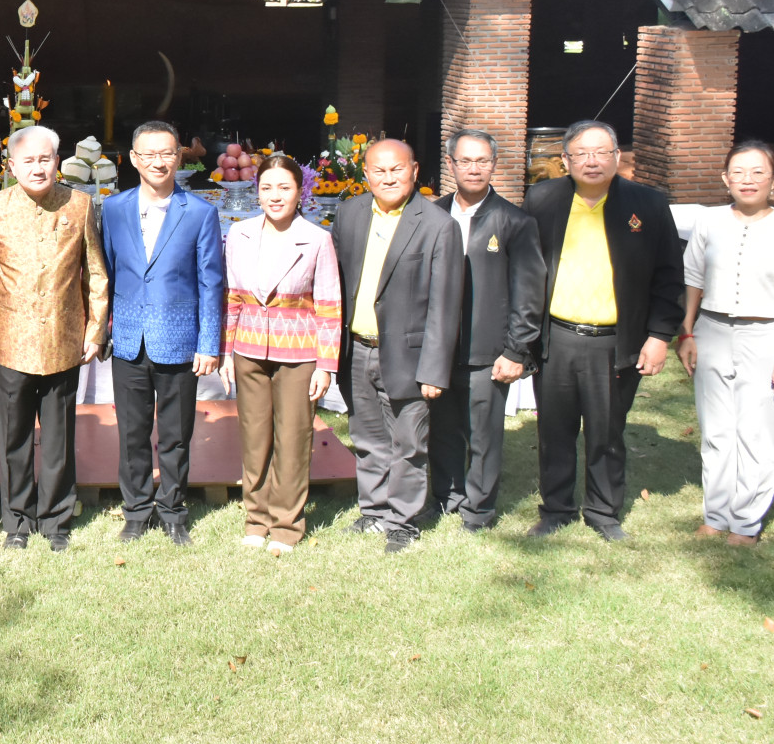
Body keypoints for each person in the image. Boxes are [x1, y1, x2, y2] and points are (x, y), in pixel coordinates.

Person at [522, 120, 683, 542]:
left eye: (601, 152)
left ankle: (603, 512)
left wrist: (659, 335)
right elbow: (525, 272)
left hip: (615, 341)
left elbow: (669, 275)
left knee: (607, 431)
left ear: (617, 158)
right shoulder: (541, 199)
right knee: (554, 430)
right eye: (581, 153)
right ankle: (556, 509)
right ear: (565, 160)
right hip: (556, 338)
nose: (591, 161)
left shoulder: (647, 204)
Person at [676, 140, 774, 546]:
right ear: (725, 179)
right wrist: (687, 331)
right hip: (713, 331)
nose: (747, 180)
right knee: (716, 429)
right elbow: (694, 281)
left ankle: (746, 522)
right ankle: (716, 514)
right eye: (738, 172)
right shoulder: (709, 221)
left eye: (758, 172)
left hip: (768, 335)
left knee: (756, 430)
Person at [0, 125, 107, 552]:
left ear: (58, 161)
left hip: (65, 337)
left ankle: (55, 520)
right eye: (28, 161)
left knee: (58, 435)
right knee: (12, 435)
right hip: (12, 338)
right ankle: (16, 520)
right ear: (11, 166)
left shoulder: (80, 205)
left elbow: (97, 275)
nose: (37, 168)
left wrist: (95, 328)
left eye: (45, 159)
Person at [332, 138, 462, 554]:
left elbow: (446, 304)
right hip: (356, 347)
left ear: (415, 170)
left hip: (410, 355)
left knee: (409, 442)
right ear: (365, 175)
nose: (388, 177)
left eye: (397, 169)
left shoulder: (438, 224)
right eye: (379, 171)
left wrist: (435, 370)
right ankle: (373, 509)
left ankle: (403, 521)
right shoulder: (350, 213)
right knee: (368, 437)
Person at [99, 119, 225, 547]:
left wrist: (209, 343)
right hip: (130, 339)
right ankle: (135, 510)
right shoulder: (113, 209)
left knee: (175, 434)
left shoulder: (201, 213)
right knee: (132, 433)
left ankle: (172, 510)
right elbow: (108, 274)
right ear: (133, 159)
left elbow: (211, 282)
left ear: (180, 157)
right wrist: (103, 333)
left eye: (167, 153)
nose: (158, 161)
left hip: (179, 340)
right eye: (148, 154)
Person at [221, 153, 340, 556]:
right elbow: (232, 298)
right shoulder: (239, 234)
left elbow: (328, 305)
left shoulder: (318, 238)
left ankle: (287, 524)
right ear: (257, 192)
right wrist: (225, 353)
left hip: (298, 352)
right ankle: (256, 519)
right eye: (267, 187)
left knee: (292, 438)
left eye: (284, 187)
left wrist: (326, 364)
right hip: (249, 349)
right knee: (254, 438)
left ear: (300, 192)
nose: (275, 196)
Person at [429, 129, 545, 533]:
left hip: (489, 351)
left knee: (483, 435)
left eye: (483, 161)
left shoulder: (515, 221)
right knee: (443, 430)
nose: (474, 168)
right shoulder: (432, 214)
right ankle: (447, 496)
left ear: (494, 165)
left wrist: (516, 351)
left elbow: (529, 294)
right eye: (466, 161)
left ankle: (478, 509)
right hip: (440, 351)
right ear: (451, 165)